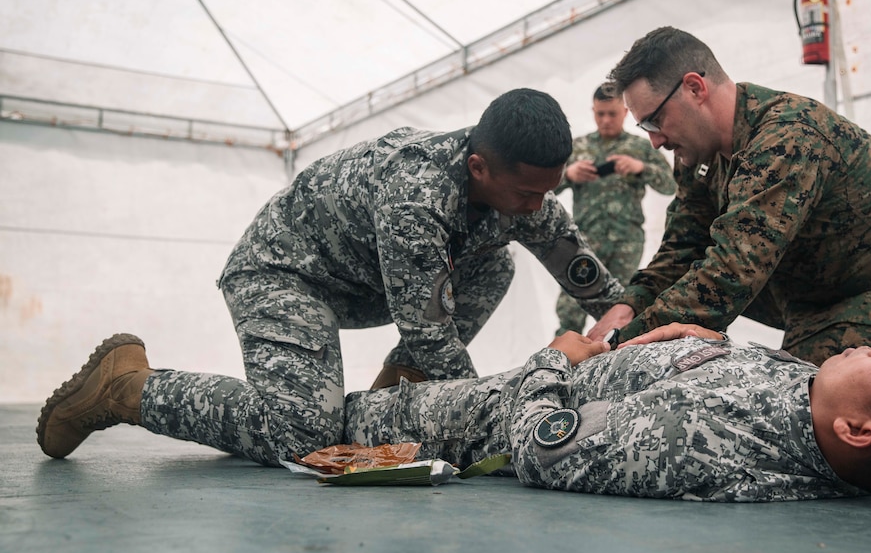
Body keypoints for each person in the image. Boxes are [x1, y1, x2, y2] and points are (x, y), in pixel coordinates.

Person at [37, 88, 624, 465]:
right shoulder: (415, 194)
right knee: (305, 437)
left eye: (546, 192)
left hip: (359, 280)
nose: (536, 208)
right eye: (525, 193)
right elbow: (429, 333)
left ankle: (389, 408)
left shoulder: (524, 194)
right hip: (285, 274)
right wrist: (487, 419)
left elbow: (589, 280)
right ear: (479, 167)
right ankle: (127, 386)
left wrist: (631, 323)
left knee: (496, 261)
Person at [37, 324, 871, 511]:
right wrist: (690, 337)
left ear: (857, 433)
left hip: (474, 423)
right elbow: (735, 372)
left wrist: (562, 356)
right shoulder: (808, 405)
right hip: (514, 390)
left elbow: (544, 449)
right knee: (331, 409)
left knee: (311, 425)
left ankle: (132, 388)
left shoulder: (709, 447)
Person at [588, 27, 871, 366]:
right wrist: (630, 305)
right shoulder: (697, 154)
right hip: (818, 291)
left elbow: (732, 273)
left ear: (694, 88)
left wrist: (614, 347)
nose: (654, 141)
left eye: (654, 121)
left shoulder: (786, 136)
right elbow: (683, 247)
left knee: (803, 389)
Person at [554, 83, 675, 335]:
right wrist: (568, 175)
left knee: (620, 310)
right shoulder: (576, 148)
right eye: (600, 114)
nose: (606, 120)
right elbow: (543, 188)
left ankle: (614, 353)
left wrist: (641, 168)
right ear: (593, 111)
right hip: (584, 241)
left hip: (625, 243)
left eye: (612, 113)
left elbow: (670, 185)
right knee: (570, 309)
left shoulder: (640, 147)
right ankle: (564, 354)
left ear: (625, 112)